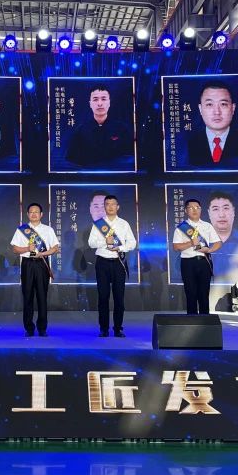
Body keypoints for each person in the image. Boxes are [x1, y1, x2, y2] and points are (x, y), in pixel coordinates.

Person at [87, 195, 137, 337]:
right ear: (104, 207)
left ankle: (118, 328)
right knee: (103, 297)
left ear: (118, 206)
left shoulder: (124, 224)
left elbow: (132, 243)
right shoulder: (98, 224)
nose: (110, 207)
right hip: (102, 262)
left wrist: (120, 248)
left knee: (119, 298)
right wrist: (105, 242)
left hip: (118, 263)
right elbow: (91, 243)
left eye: (113, 204)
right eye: (107, 204)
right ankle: (104, 328)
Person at [10, 203, 60, 336]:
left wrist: (42, 254)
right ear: (27, 214)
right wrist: (27, 248)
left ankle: (42, 328)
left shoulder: (48, 230)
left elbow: (55, 248)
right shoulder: (21, 230)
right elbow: (15, 249)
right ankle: (29, 328)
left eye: (36, 212)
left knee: (42, 296)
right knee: (27, 296)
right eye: (31, 212)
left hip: (42, 263)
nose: (33, 214)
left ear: (41, 214)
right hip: (27, 264)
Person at [172, 198, 223, 315]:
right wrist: (191, 243)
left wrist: (209, 250)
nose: (194, 210)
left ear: (201, 209)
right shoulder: (181, 228)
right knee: (191, 294)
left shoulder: (207, 226)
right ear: (186, 210)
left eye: (197, 208)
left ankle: (205, 321)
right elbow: (176, 247)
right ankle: (191, 321)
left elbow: (218, 242)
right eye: (191, 208)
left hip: (204, 262)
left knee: (204, 294)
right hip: (188, 263)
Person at [187, 81, 238, 169]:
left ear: (233, 108)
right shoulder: (188, 144)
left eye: (223, 104)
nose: (217, 112)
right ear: (200, 109)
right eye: (209, 104)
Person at [65, 85, 134, 169]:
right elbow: (72, 161)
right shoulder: (80, 131)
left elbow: (129, 157)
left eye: (104, 99)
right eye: (95, 99)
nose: (100, 103)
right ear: (90, 104)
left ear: (109, 103)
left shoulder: (122, 129)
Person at [206, 192, 238, 283]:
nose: (221, 215)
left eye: (226, 208)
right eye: (215, 209)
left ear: (233, 211)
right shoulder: (201, 243)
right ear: (209, 213)